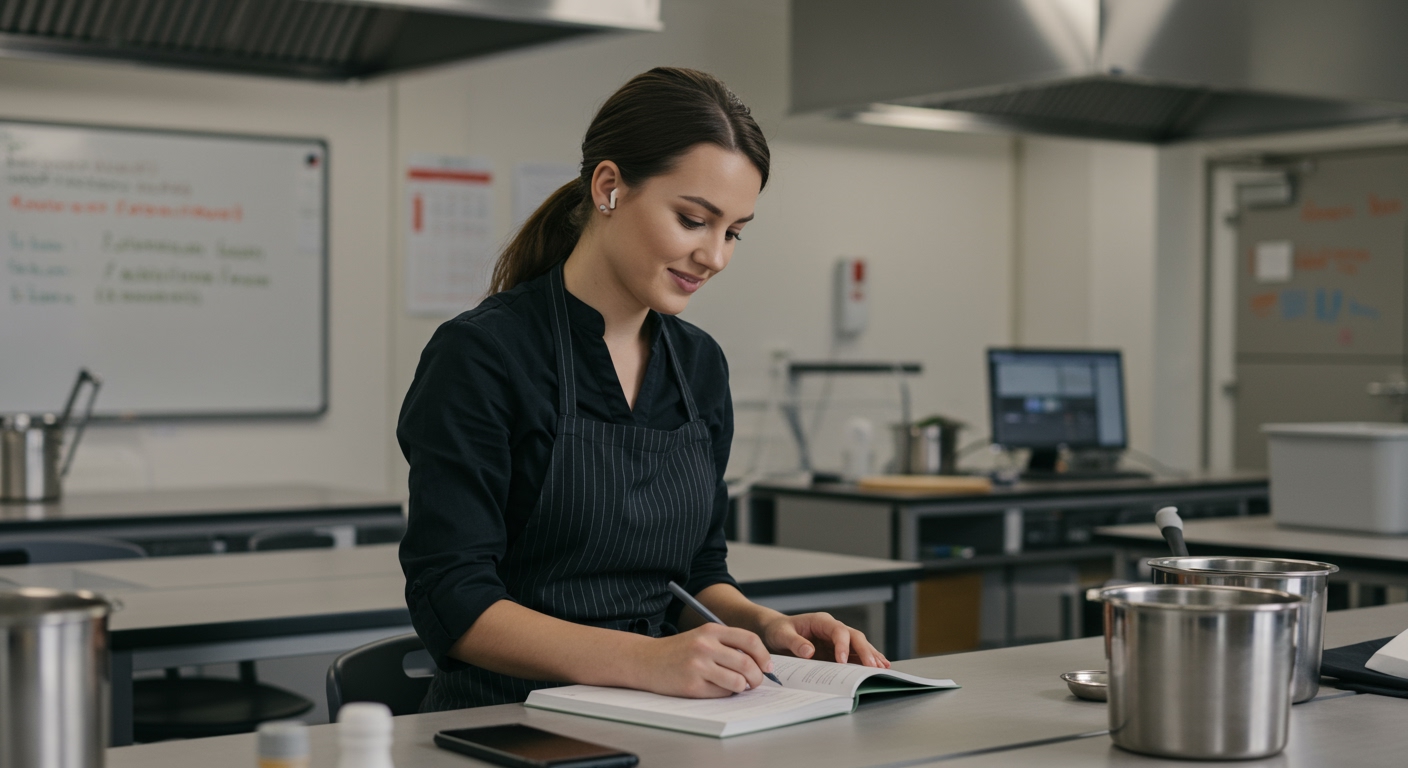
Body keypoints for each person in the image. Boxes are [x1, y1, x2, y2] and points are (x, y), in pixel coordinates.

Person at [398, 67, 887, 711]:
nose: (714, 256)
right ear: (609, 188)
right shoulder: (484, 356)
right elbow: (454, 601)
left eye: (733, 231)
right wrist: (645, 661)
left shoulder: (700, 366)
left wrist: (764, 627)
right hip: (507, 719)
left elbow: (697, 576)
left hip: (660, 718)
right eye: (693, 220)